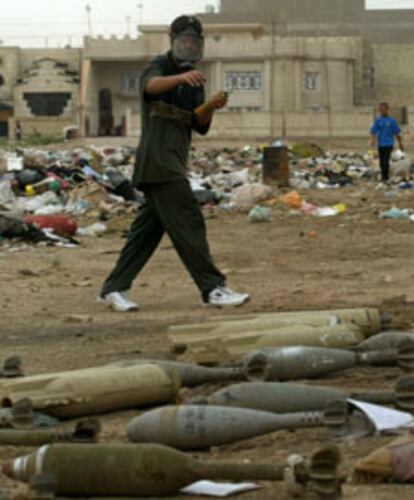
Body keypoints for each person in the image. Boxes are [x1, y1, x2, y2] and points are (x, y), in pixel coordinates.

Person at [99, 15, 250, 312]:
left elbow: (198, 122)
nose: (190, 45)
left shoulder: (195, 78)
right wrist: (180, 78)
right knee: (188, 221)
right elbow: (150, 87)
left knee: (145, 234)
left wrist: (211, 106)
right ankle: (213, 288)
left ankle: (113, 288)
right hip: (158, 160)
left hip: (174, 161)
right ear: (173, 41)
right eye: (185, 41)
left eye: (195, 41)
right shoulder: (161, 67)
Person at [370, 103, 404, 183]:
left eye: (383, 110)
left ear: (387, 110)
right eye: (380, 110)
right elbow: (373, 131)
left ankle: (385, 178)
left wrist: (400, 144)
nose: (382, 111)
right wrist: (373, 140)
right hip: (381, 144)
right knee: (381, 162)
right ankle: (383, 175)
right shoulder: (378, 120)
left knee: (386, 161)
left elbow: (397, 133)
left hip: (389, 144)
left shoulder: (392, 121)